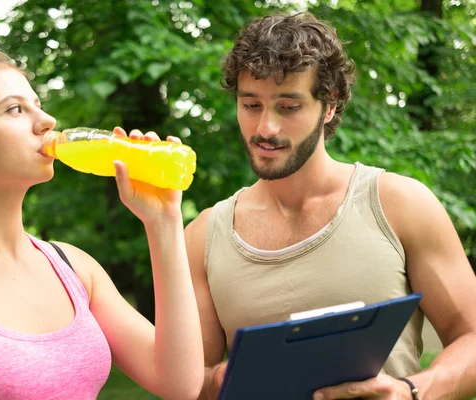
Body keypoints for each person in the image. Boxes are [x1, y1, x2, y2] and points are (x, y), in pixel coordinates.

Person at [0, 49, 204, 400]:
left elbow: (179, 384)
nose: (46, 120)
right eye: (15, 109)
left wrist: (164, 222)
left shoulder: (74, 268)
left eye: (37, 103)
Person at [184, 11, 476, 400]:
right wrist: (229, 378)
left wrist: (411, 391)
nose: (265, 128)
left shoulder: (400, 205)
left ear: (331, 105)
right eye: (250, 104)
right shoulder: (204, 235)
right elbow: (188, 384)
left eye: (288, 107)